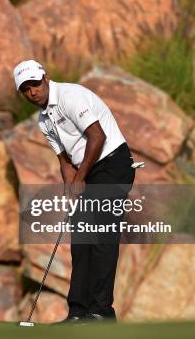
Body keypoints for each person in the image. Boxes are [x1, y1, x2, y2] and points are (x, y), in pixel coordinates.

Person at [13, 59, 136, 323]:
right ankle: (78, 312)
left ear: (45, 77)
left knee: (102, 236)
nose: (32, 91)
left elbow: (97, 136)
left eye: (35, 83)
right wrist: (71, 185)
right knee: (81, 240)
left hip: (114, 164)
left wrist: (81, 178)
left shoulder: (70, 96)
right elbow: (64, 161)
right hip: (89, 170)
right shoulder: (44, 120)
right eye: (25, 88)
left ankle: (102, 311)